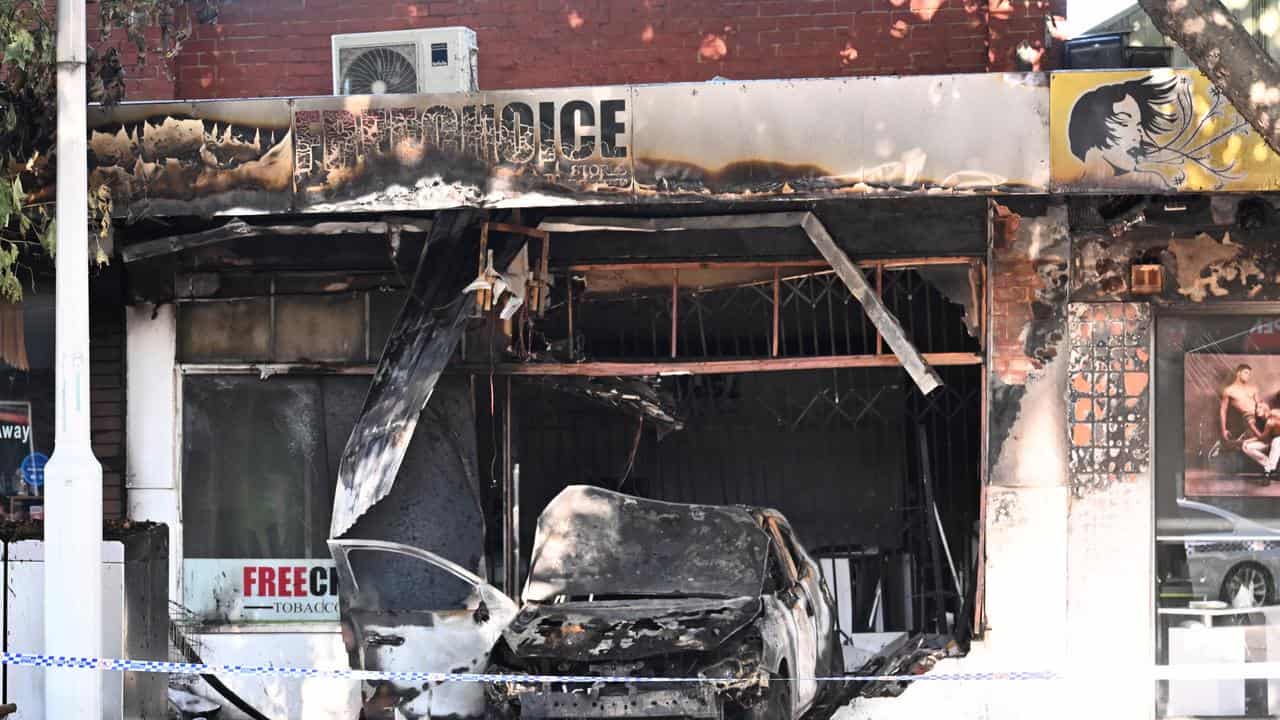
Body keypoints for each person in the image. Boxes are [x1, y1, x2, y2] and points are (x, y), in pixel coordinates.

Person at [1066, 75, 1179, 187]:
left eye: (1138, 125)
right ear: (1092, 128)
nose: (1138, 136)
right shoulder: (1065, 186)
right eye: (1124, 123)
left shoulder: (1151, 183)